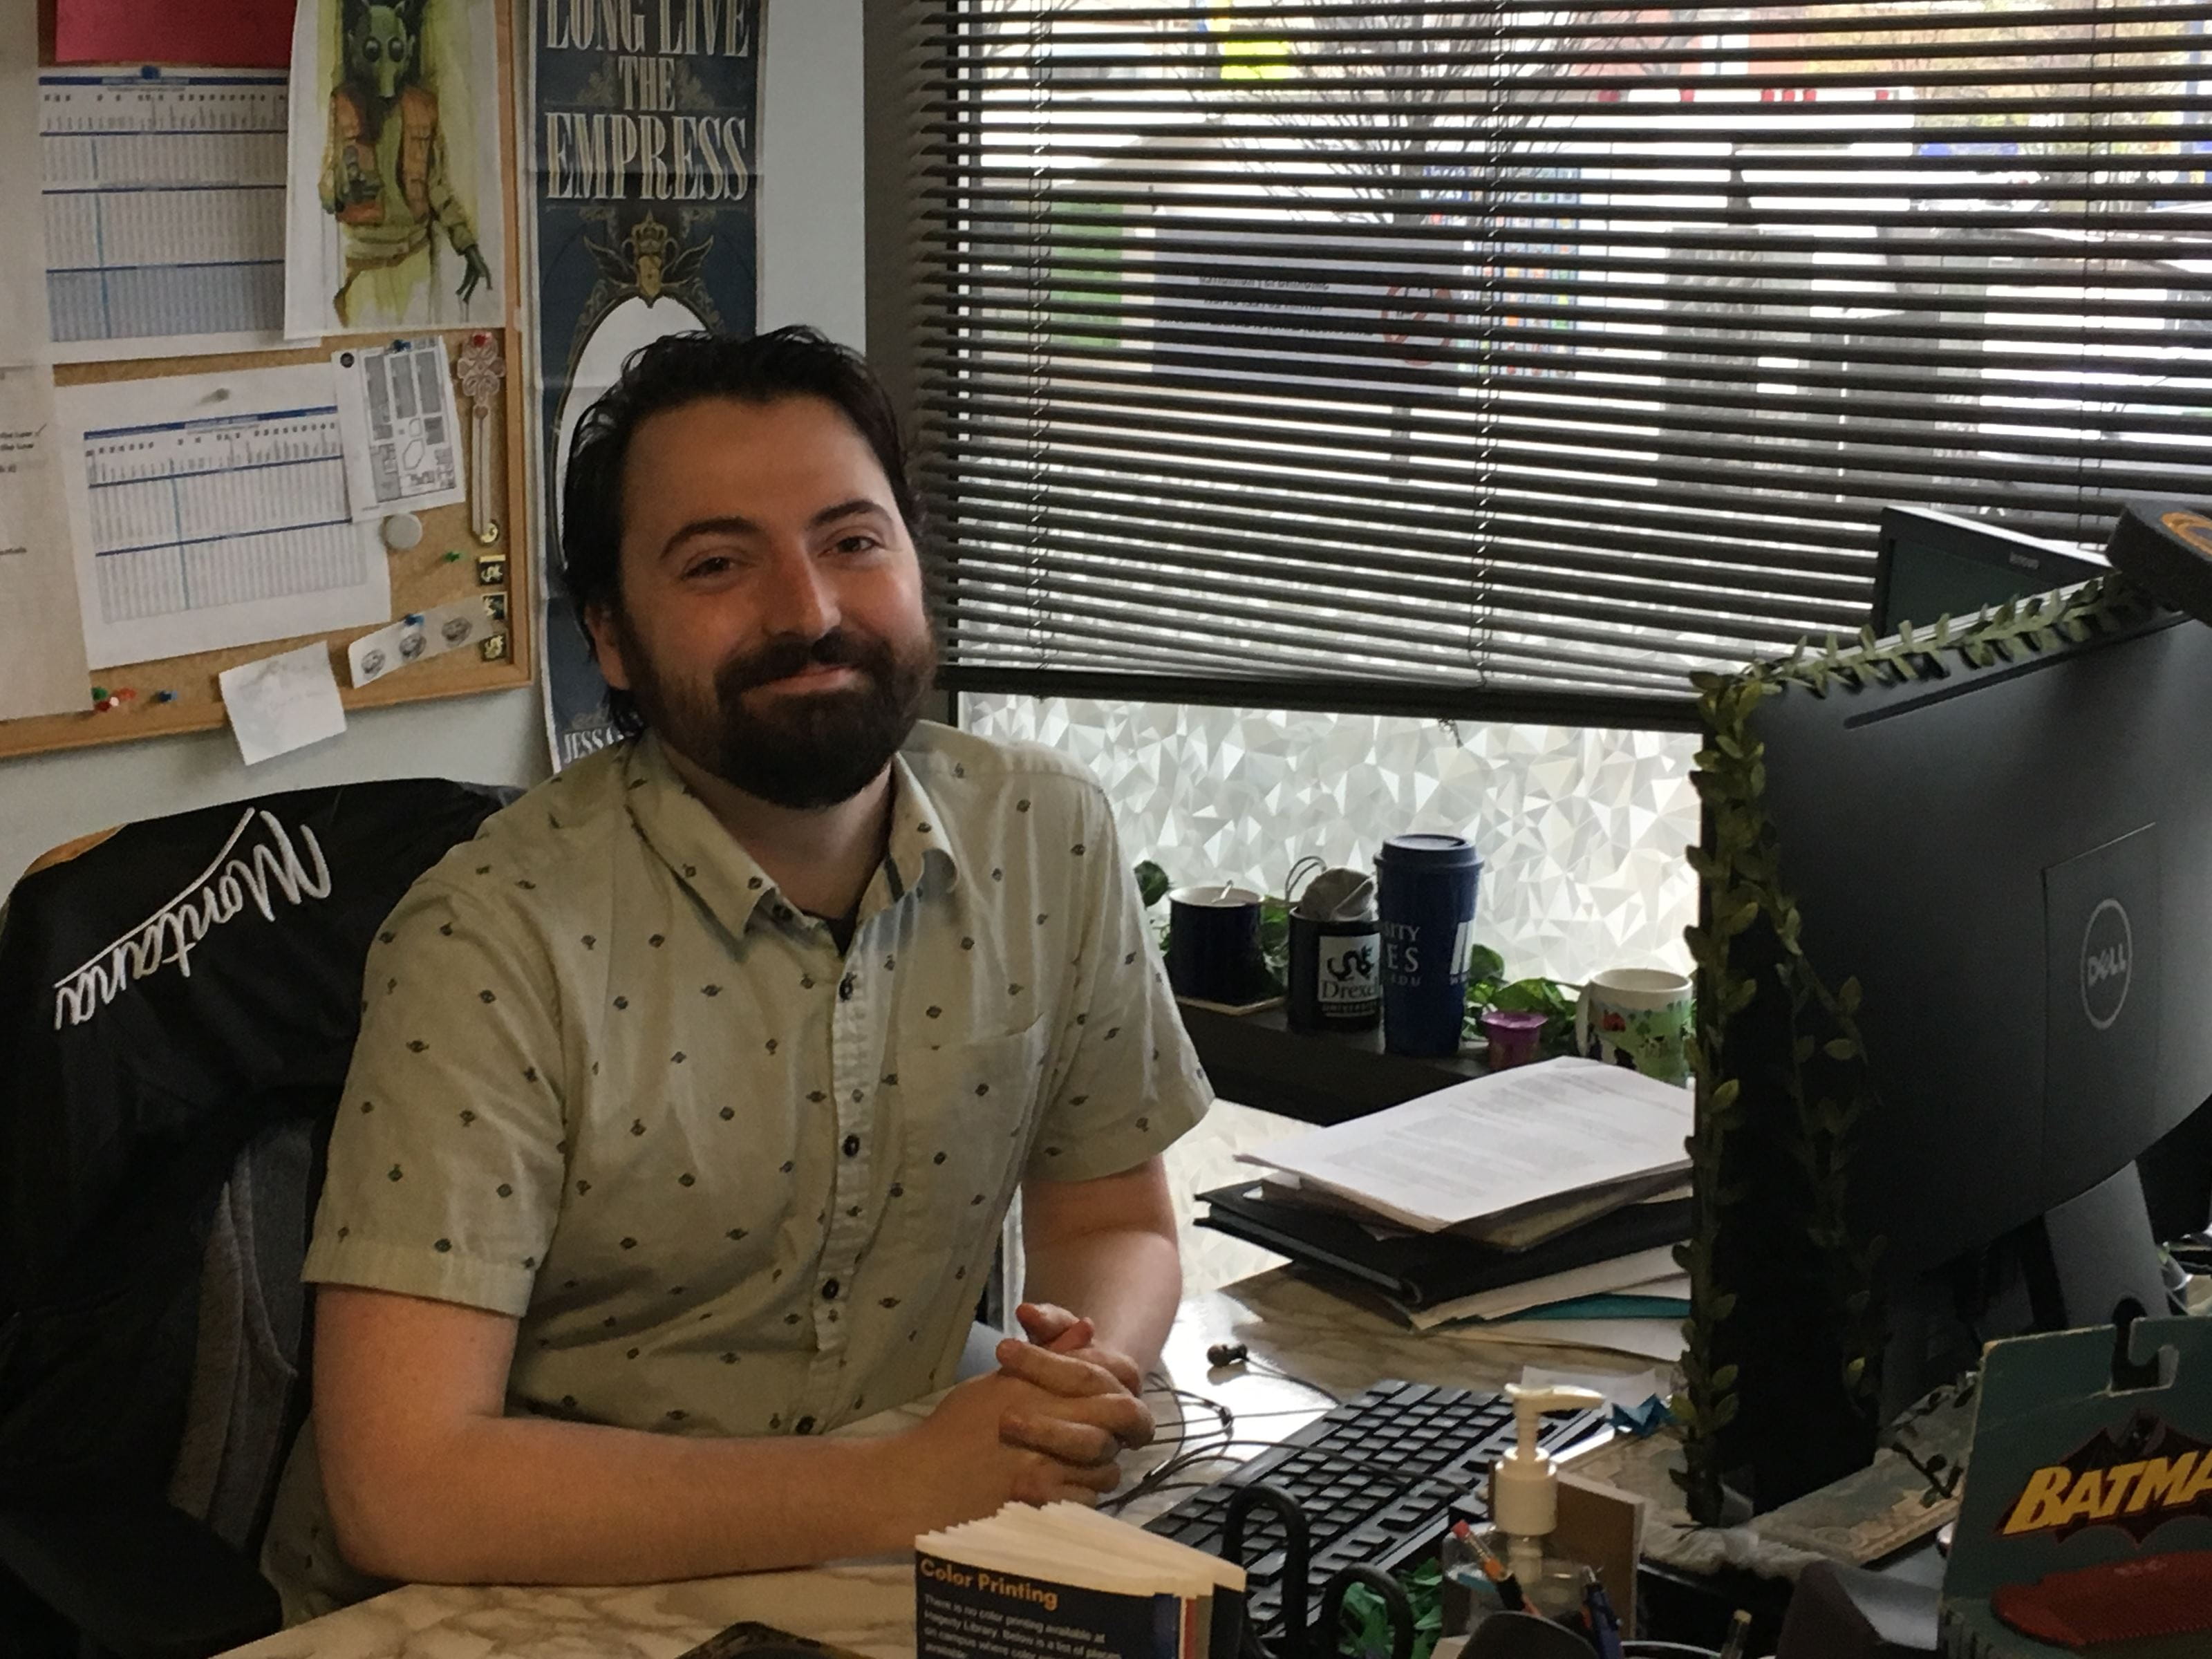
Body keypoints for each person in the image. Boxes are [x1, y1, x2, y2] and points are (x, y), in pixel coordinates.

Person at [261, 327, 1211, 1618]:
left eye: (853, 542)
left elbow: (1114, 1223)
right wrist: (896, 1490)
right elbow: (403, 1487)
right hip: (525, 1595)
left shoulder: (1048, 834)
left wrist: (1071, 1388)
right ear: (613, 637)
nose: (810, 612)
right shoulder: (491, 938)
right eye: (717, 564)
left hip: (889, 1569)